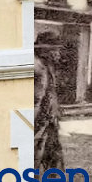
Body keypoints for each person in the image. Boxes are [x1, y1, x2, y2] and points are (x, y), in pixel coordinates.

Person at [34, 33, 65, 173]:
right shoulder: (36, 66)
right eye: (55, 50)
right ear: (45, 49)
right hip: (38, 120)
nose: (57, 53)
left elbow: (51, 92)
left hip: (49, 121)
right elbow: (36, 97)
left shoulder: (47, 66)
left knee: (53, 158)